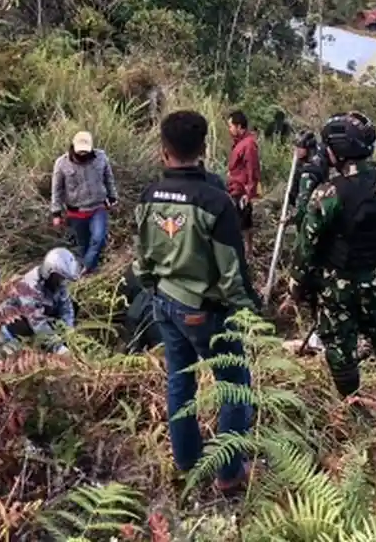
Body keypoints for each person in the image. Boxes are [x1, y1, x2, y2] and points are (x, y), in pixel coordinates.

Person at [134, 109, 257, 493]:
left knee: (179, 382)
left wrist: (153, 285)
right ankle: (228, 473)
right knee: (235, 387)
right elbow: (231, 270)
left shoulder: (148, 196)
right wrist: (249, 310)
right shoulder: (215, 201)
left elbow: (141, 260)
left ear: (162, 151)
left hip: (164, 303)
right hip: (205, 311)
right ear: (203, 148)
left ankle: (187, 460)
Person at [295, 111, 376, 419]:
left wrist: (299, 284)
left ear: (336, 151)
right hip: (375, 278)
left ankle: (355, 409)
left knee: (340, 345)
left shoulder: (329, 193)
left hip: (336, 283)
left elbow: (306, 247)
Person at [51, 131, 119, 274]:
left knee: (98, 238)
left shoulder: (101, 157)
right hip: (76, 212)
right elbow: (56, 190)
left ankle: (85, 269)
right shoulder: (61, 163)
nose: (82, 155)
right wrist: (56, 213)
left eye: (85, 152)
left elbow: (109, 178)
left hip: (98, 207)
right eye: (79, 152)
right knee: (83, 244)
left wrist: (112, 196)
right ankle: (89, 270)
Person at [0, 248, 79, 354]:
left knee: (75, 306)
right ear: (49, 272)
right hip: (15, 326)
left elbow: (66, 309)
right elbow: (37, 321)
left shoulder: (59, 285)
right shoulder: (29, 286)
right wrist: (58, 347)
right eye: (59, 277)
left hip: (42, 318)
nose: (61, 281)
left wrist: (68, 333)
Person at [227, 111, 261, 258]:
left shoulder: (248, 144)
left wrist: (249, 192)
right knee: (244, 222)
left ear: (239, 126)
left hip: (241, 190)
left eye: (230, 126)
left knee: (241, 223)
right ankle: (246, 251)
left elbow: (252, 169)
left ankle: (245, 252)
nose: (229, 129)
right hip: (235, 188)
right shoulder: (240, 144)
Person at [287, 130, 329, 228]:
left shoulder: (309, 171)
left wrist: (294, 217)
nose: (296, 150)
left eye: (299, 147)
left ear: (307, 148)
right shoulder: (319, 154)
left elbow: (303, 200)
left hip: (311, 211)